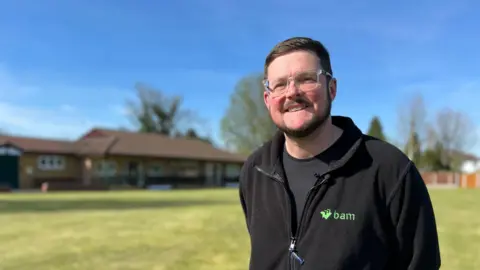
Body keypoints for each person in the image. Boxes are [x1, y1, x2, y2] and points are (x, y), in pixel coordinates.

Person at [238, 37, 441, 270]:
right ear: (267, 99)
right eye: (280, 84)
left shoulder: (389, 169)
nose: (292, 92)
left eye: (306, 79)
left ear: (331, 88)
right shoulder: (255, 170)